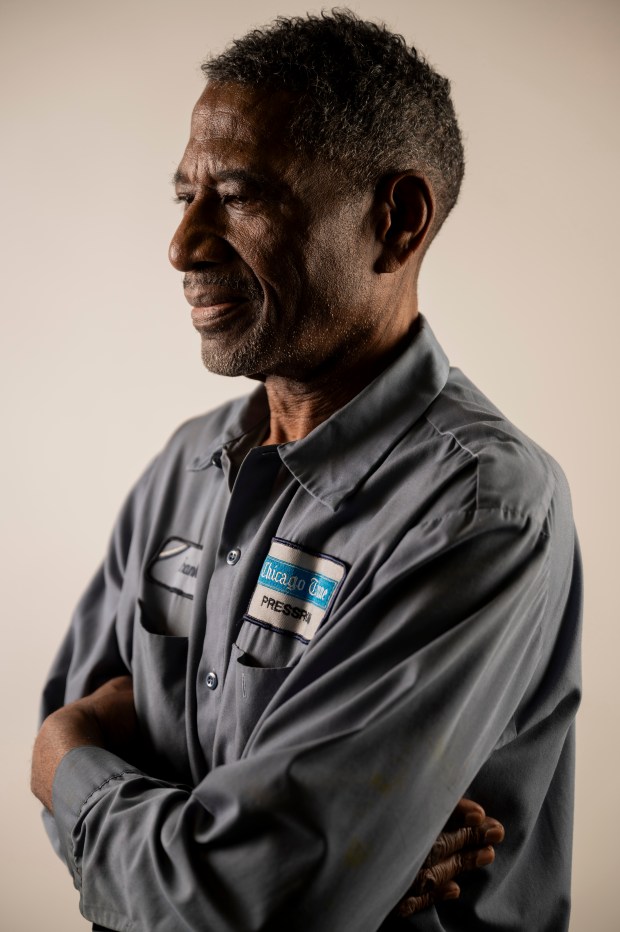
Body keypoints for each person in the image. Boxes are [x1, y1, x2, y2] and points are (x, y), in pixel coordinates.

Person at [31, 10, 582, 931]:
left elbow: (262, 902)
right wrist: (289, 859)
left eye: (240, 195)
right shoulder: (186, 468)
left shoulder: (480, 508)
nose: (184, 246)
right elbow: (241, 877)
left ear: (397, 219)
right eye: (184, 198)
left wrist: (72, 763)